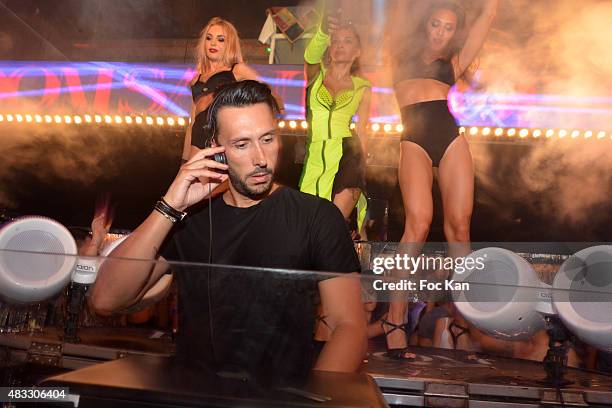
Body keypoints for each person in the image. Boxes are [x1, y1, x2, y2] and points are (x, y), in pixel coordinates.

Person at [90, 80, 367, 383]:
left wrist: (314, 400)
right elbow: (105, 300)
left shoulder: (316, 217)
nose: (260, 158)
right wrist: (171, 206)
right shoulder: (190, 219)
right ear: (215, 151)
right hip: (193, 398)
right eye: (242, 144)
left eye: (268, 139)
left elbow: (349, 327)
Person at [384, 0, 499, 358]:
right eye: (436, 24)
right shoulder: (400, 48)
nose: (441, 32)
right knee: (417, 225)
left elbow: (489, 12)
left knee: (460, 230)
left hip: (450, 137)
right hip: (414, 139)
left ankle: (463, 318)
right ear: (426, 24)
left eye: (449, 28)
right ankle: (394, 319)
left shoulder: (454, 61)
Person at [299, 9, 371, 234]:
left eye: (347, 41)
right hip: (315, 155)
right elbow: (310, 56)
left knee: (332, 225)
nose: (340, 45)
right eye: (335, 41)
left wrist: (362, 171)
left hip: (348, 153)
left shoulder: (363, 87)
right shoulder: (315, 75)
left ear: (357, 51)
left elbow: (363, 129)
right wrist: (322, 31)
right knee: (308, 224)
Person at [182, 17, 259, 161]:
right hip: (198, 148)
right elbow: (192, 123)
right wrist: (184, 162)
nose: (213, 43)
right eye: (209, 38)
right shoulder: (195, 80)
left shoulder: (237, 70)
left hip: (224, 144)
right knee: (193, 181)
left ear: (229, 44)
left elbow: (264, 96)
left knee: (224, 183)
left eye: (220, 39)